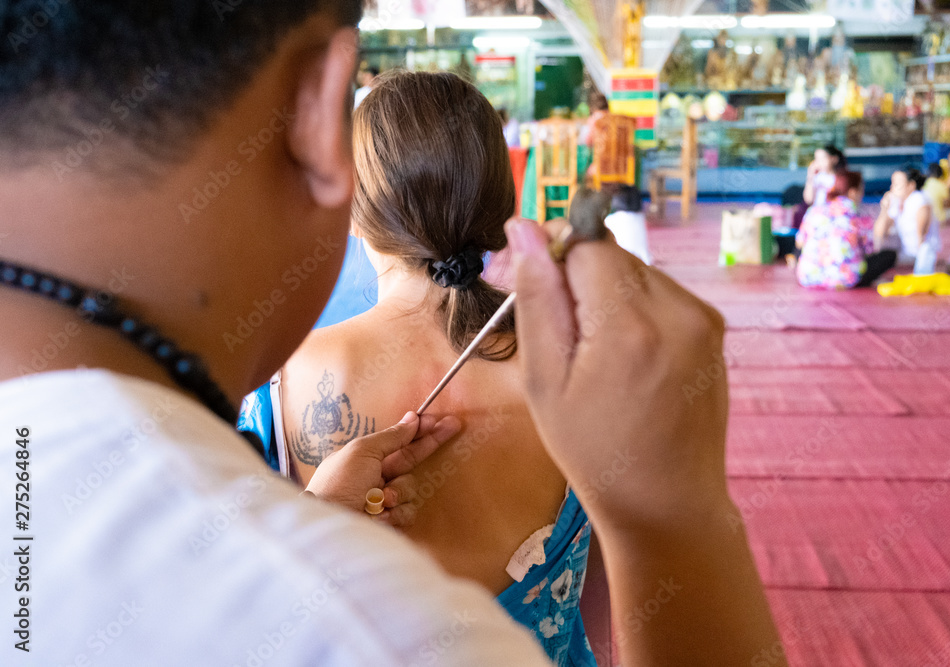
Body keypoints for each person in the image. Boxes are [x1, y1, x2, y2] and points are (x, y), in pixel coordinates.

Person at [0, 2, 783, 666]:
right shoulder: (582, 387)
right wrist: (679, 520)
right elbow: (620, 613)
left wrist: (315, 517)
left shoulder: (278, 386)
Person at [278, 72, 595, 665]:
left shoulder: (287, 372)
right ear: (500, 203)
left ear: (353, 209)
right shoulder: (577, 372)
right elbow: (594, 596)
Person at [795, 171, 895, 289]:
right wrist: (884, 212)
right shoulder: (857, 213)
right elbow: (871, 248)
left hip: (808, 277)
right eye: (861, 190)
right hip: (845, 279)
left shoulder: (814, 210)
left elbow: (799, 243)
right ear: (853, 192)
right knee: (889, 255)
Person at [875, 168, 942, 274]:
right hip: (907, 254)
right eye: (892, 183)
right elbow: (879, 233)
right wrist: (884, 209)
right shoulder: (897, 202)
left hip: (922, 256)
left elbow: (921, 236)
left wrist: (920, 270)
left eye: (897, 184)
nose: (892, 188)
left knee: (884, 258)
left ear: (911, 185)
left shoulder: (920, 200)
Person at [794, 144, 845, 229]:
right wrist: (810, 176)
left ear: (834, 159)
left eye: (822, 158)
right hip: (817, 217)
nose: (819, 162)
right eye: (816, 159)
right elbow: (809, 199)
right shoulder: (817, 178)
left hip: (836, 217)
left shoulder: (842, 179)